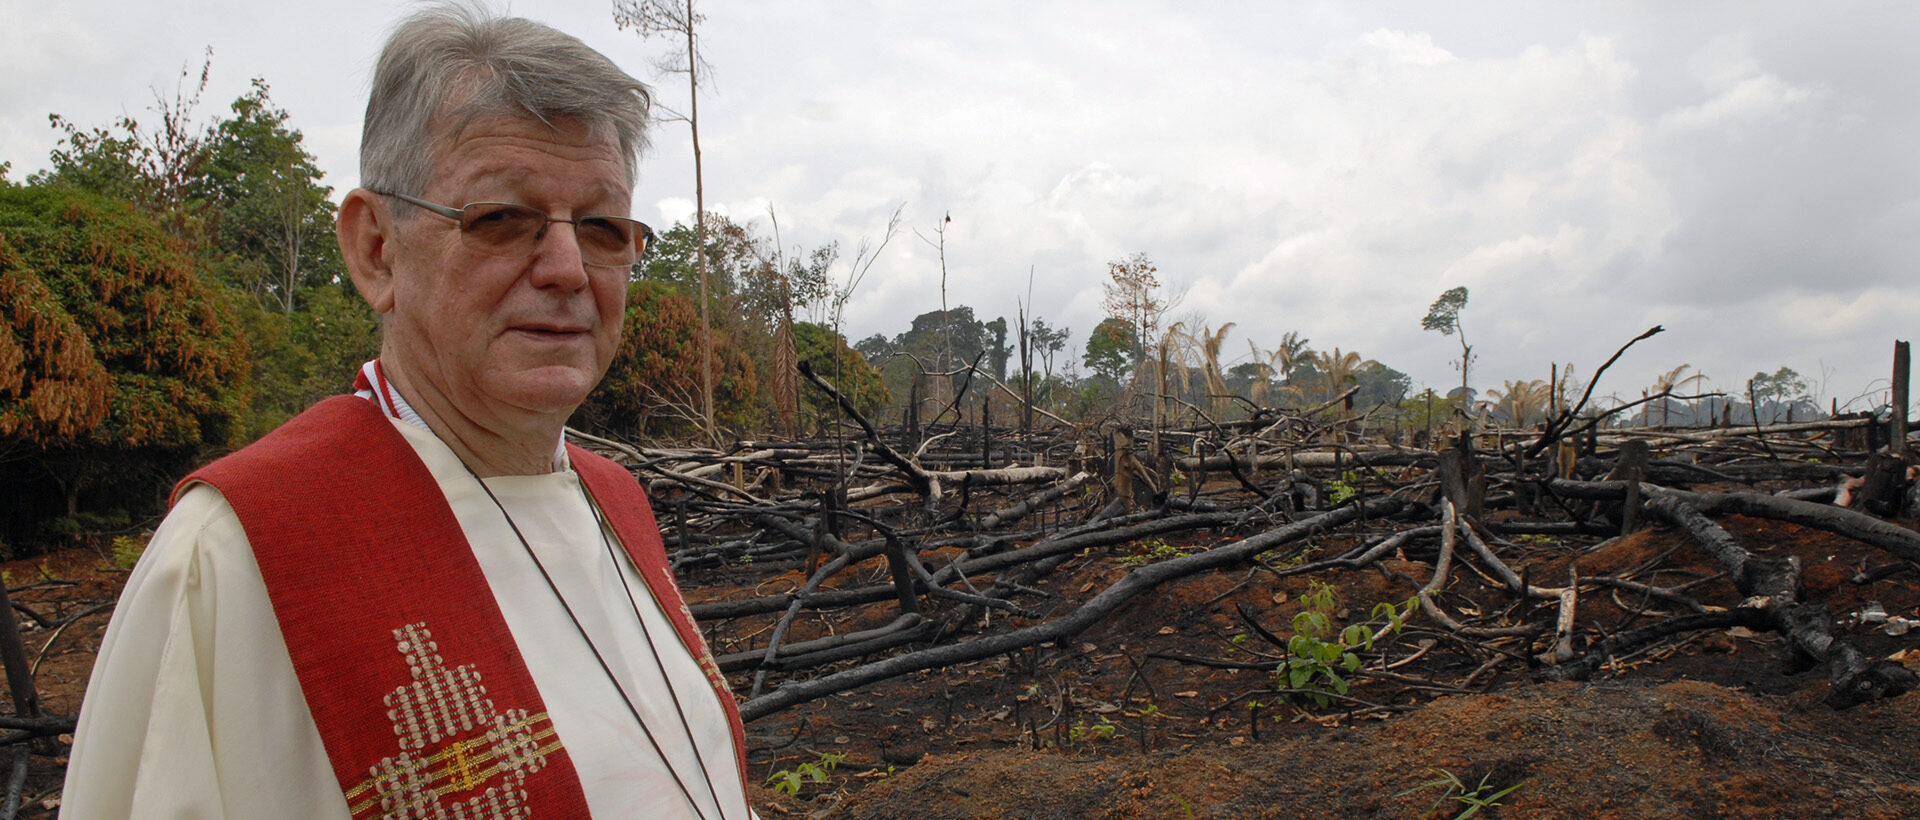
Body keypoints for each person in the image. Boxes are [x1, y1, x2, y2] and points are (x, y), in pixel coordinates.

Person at [60, 5, 756, 819]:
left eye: (603, 227)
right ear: (376, 249)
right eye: (502, 219)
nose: (568, 268)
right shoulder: (235, 555)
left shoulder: (616, 502)